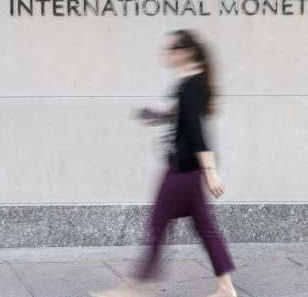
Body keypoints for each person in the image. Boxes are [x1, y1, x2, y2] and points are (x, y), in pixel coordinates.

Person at [93, 29, 237, 297]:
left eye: (171, 50)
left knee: (158, 224)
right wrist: (158, 118)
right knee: (206, 228)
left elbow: (196, 131)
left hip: (182, 169)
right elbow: (184, 122)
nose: (166, 55)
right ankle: (226, 287)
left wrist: (211, 172)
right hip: (187, 170)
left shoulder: (190, 85)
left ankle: (136, 288)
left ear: (185, 52)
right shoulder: (189, 82)